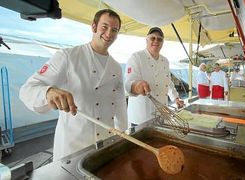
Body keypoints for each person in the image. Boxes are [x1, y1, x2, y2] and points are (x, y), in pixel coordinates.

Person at [19, 9, 127, 161]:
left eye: (114, 30)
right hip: (73, 147)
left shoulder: (116, 66)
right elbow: (27, 89)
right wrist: (48, 92)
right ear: (94, 27)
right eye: (105, 27)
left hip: (106, 143)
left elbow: (120, 102)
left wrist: (123, 134)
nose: (109, 33)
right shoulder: (68, 56)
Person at [125, 27, 184, 126]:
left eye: (159, 39)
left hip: (162, 113)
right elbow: (128, 83)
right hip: (142, 116)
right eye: (153, 38)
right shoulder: (136, 57)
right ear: (146, 40)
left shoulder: (165, 61)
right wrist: (137, 86)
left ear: (162, 43)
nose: (156, 41)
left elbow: (168, 82)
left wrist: (176, 98)